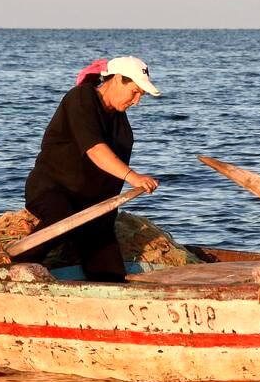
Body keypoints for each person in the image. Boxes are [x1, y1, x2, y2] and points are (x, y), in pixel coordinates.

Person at [24, 56, 161, 282]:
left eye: (141, 96)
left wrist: (104, 224)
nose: (136, 101)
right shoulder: (80, 98)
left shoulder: (122, 128)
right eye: (135, 92)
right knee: (63, 219)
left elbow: (110, 181)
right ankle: (15, 264)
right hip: (52, 191)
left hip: (93, 209)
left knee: (111, 274)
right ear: (117, 79)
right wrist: (133, 176)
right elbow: (96, 150)